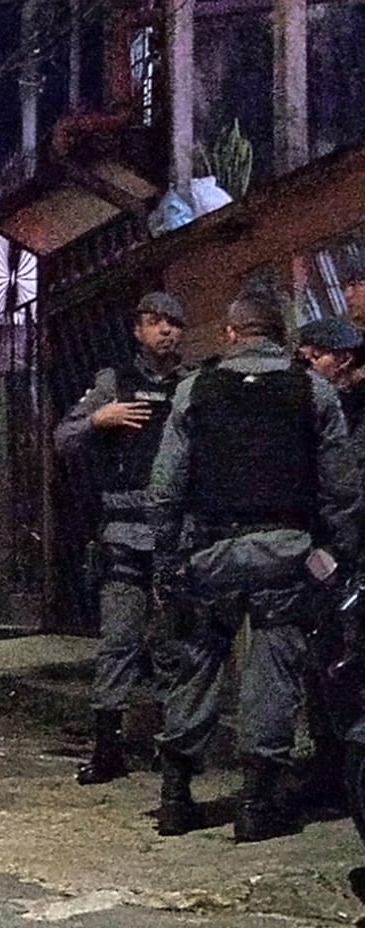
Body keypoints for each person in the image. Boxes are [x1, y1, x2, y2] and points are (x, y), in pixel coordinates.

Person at [150, 294, 361, 841]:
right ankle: (257, 807)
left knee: (194, 669)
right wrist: (341, 552)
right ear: (279, 333)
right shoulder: (312, 390)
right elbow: (341, 487)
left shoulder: (195, 388)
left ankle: (175, 800)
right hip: (286, 551)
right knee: (272, 677)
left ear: (230, 333)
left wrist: (166, 556)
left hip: (209, 552)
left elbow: (167, 483)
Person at [52, 291, 187, 785]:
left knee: (176, 646)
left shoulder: (192, 386)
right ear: (138, 330)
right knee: (119, 642)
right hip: (124, 532)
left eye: (173, 322)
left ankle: (176, 751)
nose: (166, 331)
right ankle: (107, 748)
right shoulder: (113, 382)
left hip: (176, 535)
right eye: (155, 322)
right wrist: (98, 419)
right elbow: (62, 438)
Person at [293, 316, 365, 805]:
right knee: (324, 661)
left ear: (343, 358)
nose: (309, 363)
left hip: (353, 548)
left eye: (317, 354)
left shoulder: (351, 408)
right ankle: (330, 766)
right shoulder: (317, 405)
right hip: (330, 550)